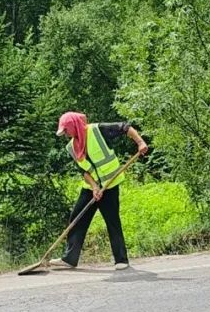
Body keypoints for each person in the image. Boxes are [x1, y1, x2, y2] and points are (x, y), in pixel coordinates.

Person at [50, 112, 149, 271]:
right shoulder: (71, 147)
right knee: (77, 218)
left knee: (112, 220)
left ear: (73, 126)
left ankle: (121, 260)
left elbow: (125, 127)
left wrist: (140, 142)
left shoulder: (97, 130)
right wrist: (95, 187)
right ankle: (70, 259)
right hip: (90, 187)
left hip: (110, 183)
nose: (66, 135)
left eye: (66, 131)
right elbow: (83, 171)